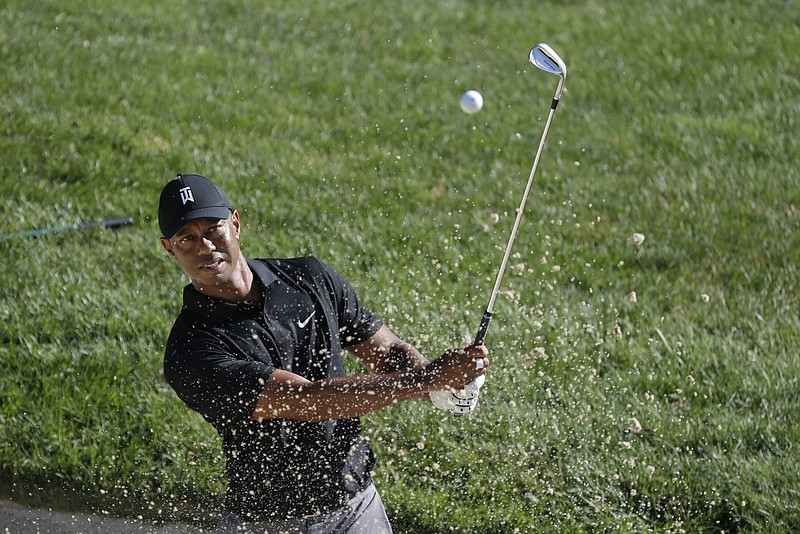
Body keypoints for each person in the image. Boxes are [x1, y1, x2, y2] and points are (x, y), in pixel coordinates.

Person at [157, 174, 488, 533]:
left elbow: (386, 350)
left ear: (236, 224)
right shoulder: (191, 350)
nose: (205, 246)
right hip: (268, 523)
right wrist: (428, 378)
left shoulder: (309, 278)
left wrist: (435, 387)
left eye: (213, 229)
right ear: (169, 248)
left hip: (358, 509)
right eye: (187, 238)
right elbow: (310, 401)